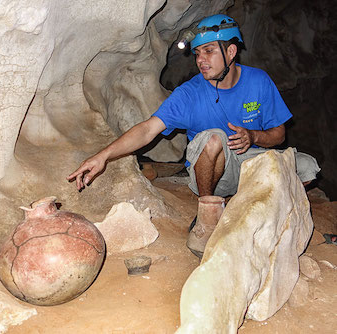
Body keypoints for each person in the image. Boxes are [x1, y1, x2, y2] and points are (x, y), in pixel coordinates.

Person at [66, 14, 320, 258]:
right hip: (214, 172)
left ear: (230, 52)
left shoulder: (259, 82)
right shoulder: (189, 93)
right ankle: (208, 215)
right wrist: (103, 156)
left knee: (306, 167)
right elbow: (147, 129)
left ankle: (250, 205)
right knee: (213, 138)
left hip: (252, 162)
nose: (201, 60)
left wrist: (253, 137)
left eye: (209, 51)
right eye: (198, 53)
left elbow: (279, 135)